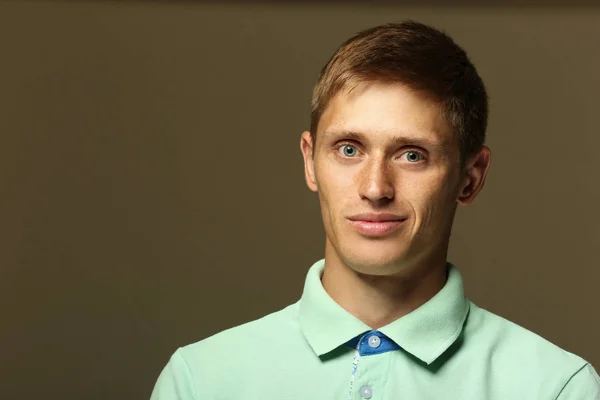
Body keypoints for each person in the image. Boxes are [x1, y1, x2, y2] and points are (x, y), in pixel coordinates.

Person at [150, 20, 600, 399]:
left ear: (470, 177)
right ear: (310, 162)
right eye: (349, 149)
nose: (375, 187)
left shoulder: (556, 387)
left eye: (412, 155)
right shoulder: (200, 381)